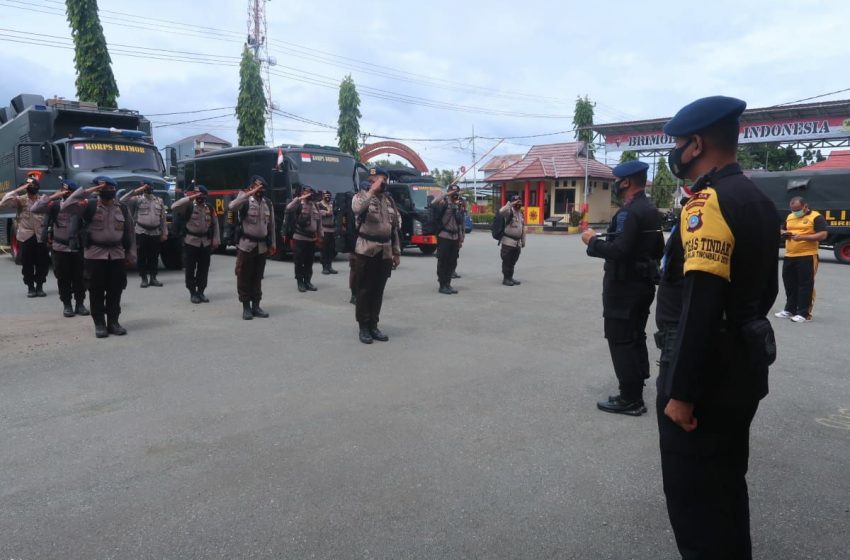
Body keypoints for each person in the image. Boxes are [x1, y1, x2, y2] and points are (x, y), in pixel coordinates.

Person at [657, 96, 779, 559]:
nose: (675, 153)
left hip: (705, 376)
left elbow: (701, 305)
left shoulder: (707, 204)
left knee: (695, 500)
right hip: (743, 365)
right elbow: (765, 290)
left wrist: (682, 392)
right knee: (726, 485)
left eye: (678, 144)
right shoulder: (756, 198)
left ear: (696, 144)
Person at [581, 160, 664, 416]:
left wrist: (592, 241)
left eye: (617, 181)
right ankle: (635, 387)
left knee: (620, 339)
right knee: (635, 335)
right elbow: (658, 249)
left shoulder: (629, 212)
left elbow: (619, 250)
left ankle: (630, 398)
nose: (615, 185)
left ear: (626, 182)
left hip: (624, 287)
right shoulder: (650, 209)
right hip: (642, 284)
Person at [62, 176, 136, 338]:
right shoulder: (88, 205)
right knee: (96, 291)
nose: (109, 191)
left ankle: (113, 322)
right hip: (94, 255)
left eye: (111, 188)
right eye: (104, 188)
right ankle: (100, 324)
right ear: (98, 190)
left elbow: (130, 232)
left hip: (117, 254)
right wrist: (88, 191)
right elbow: (66, 206)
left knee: (115, 290)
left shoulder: (122, 208)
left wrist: (131, 253)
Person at [351, 167, 401, 344]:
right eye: (379, 178)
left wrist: (396, 251)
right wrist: (371, 191)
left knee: (378, 291)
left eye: (385, 179)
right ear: (371, 179)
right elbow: (357, 209)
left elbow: (394, 229)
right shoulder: (360, 196)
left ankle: (374, 325)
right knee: (364, 290)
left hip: (385, 251)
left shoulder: (388, 200)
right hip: (366, 250)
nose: (383, 182)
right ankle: (363, 326)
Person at [31, 180, 89, 317]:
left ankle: (80, 304)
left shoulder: (81, 205)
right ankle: (67, 305)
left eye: (69, 191)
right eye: (64, 191)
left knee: (80, 278)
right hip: (60, 247)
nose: (66, 193)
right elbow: (35, 209)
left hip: (77, 248)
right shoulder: (55, 205)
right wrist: (52, 196)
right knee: (63, 278)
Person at [230, 175, 276, 320]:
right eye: (257, 185)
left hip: (261, 246)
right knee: (244, 276)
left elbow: (272, 226)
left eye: (262, 186)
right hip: (246, 245)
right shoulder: (244, 200)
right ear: (251, 186)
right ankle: (246, 307)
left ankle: (256, 306)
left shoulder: (267, 203)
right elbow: (232, 207)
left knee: (257, 276)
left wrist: (273, 244)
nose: (259, 188)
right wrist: (248, 193)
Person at [775, 196, 827, 322]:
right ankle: (790, 310)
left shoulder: (816, 217)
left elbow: (823, 235)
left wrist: (803, 237)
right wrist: (783, 232)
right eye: (793, 209)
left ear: (805, 206)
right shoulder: (790, 216)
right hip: (790, 254)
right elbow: (782, 228)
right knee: (789, 284)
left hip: (807, 255)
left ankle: (804, 314)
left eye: (797, 209)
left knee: (805, 285)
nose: (795, 212)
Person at [0, 175, 49, 297]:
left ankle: (40, 286)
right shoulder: (20, 200)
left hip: (40, 236)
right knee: (27, 264)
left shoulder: (43, 200)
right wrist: (18, 190)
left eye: (32, 185)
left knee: (42, 263)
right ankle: (31, 287)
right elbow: (3, 203)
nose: (30, 187)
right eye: (28, 186)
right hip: (26, 236)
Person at [171, 184, 220, 303]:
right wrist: (190, 198)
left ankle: (201, 291)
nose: (199, 197)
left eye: (201, 194)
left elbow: (215, 224)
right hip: (191, 242)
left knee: (203, 268)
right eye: (196, 194)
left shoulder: (209, 208)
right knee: (190, 268)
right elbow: (174, 206)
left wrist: (216, 239)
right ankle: (192, 292)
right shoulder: (188, 206)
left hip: (205, 242)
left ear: (205, 196)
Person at [120, 180, 167, 288]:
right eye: (145, 186)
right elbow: (122, 200)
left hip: (155, 232)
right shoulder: (137, 199)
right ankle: (144, 278)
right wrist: (137, 191)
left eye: (149, 186)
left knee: (154, 257)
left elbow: (163, 218)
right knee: (142, 256)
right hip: (141, 231)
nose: (147, 188)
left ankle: (153, 278)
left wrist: (164, 232)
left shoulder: (159, 201)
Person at [286, 185, 323, 292]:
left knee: (309, 262)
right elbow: (288, 208)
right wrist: (300, 198)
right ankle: (300, 282)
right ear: (302, 193)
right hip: (300, 238)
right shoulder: (298, 203)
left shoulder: (315, 205)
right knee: (299, 261)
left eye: (310, 192)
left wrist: (320, 236)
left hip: (311, 239)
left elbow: (319, 222)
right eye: (306, 192)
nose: (308, 194)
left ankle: (307, 281)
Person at [432, 184, 465, 294]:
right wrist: (446, 194)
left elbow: (460, 223)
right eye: (453, 191)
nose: (455, 193)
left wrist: (461, 238)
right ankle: (442, 285)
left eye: (457, 191)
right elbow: (433, 202)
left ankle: (448, 284)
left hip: (455, 237)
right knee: (443, 261)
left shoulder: (458, 204)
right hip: (444, 236)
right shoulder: (443, 202)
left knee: (452, 262)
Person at [499, 194, 526, 286]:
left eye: (520, 202)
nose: (518, 204)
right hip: (508, 242)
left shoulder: (521, 214)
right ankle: (506, 279)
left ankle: (510, 277)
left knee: (513, 261)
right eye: (516, 202)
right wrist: (510, 204)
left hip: (517, 243)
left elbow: (523, 228)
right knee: (507, 261)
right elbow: (501, 211)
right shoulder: (509, 212)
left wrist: (523, 241)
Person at [318, 190, 339, 275]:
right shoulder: (319, 205)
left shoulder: (331, 204)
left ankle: (330, 266)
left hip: (332, 229)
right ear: (322, 196)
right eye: (326, 196)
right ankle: (324, 267)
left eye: (329, 196)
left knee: (331, 249)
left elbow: (335, 213)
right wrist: (326, 212)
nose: (328, 197)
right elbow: (320, 213)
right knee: (324, 249)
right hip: (324, 229)